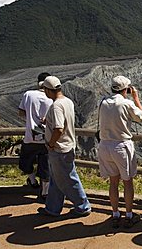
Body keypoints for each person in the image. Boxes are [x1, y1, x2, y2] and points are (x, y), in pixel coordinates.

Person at [37, 76, 91, 217]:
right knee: (57, 179)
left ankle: (83, 207)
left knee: (69, 178)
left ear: (49, 90)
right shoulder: (67, 101)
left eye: (45, 89)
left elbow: (59, 128)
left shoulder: (56, 106)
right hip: (67, 146)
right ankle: (52, 208)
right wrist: (48, 121)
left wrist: (51, 143)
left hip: (59, 149)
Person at [98, 76, 142, 228]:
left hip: (105, 146)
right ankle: (129, 215)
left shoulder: (103, 102)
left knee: (113, 181)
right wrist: (136, 98)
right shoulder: (126, 103)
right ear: (126, 89)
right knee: (127, 181)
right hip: (121, 147)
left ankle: (115, 214)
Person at [18, 72, 53, 200]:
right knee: (45, 166)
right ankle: (45, 192)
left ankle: (32, 181)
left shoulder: (28, 95)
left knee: (25, 161)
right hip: (48, 138)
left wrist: (31, 117)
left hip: (30, 137)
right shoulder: (53, 98)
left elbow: (21, 113)